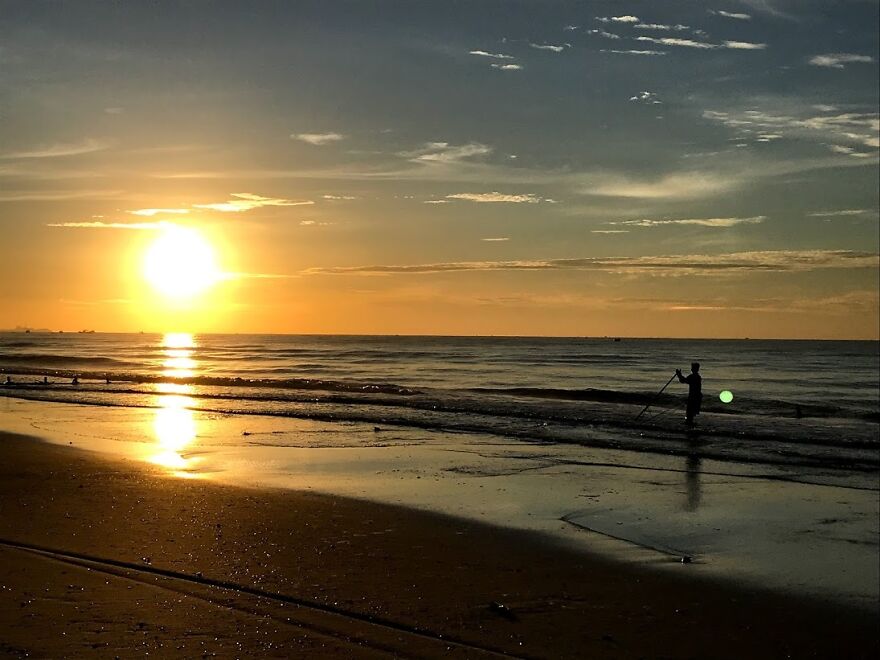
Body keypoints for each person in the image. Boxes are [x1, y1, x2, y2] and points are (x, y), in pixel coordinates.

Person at [676, 362, 702, 427]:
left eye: (693, 368)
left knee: (690, 411)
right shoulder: (697, 377)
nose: (692, 369)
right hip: (696, 396)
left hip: (694, 396)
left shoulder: (694, 377)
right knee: (691, 411)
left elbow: (683, 380)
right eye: (692, 368)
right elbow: (684, 380)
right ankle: (690, 423)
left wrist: (679, 375)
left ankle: (689, 423)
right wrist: (679, 375)